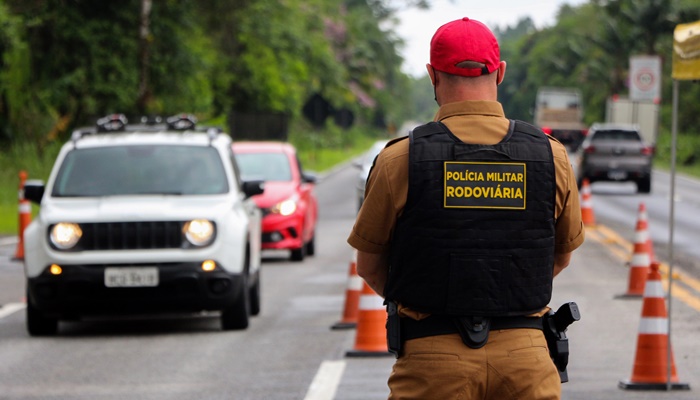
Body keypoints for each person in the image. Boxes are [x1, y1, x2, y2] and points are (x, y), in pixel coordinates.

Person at [346, 17, 584, 400]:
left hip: (431, 359)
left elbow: (370, 265)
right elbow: (561, 256)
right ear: (500, 72)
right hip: (527, 361)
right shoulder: (550, 156)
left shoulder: (400, 159)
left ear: (432, 76)